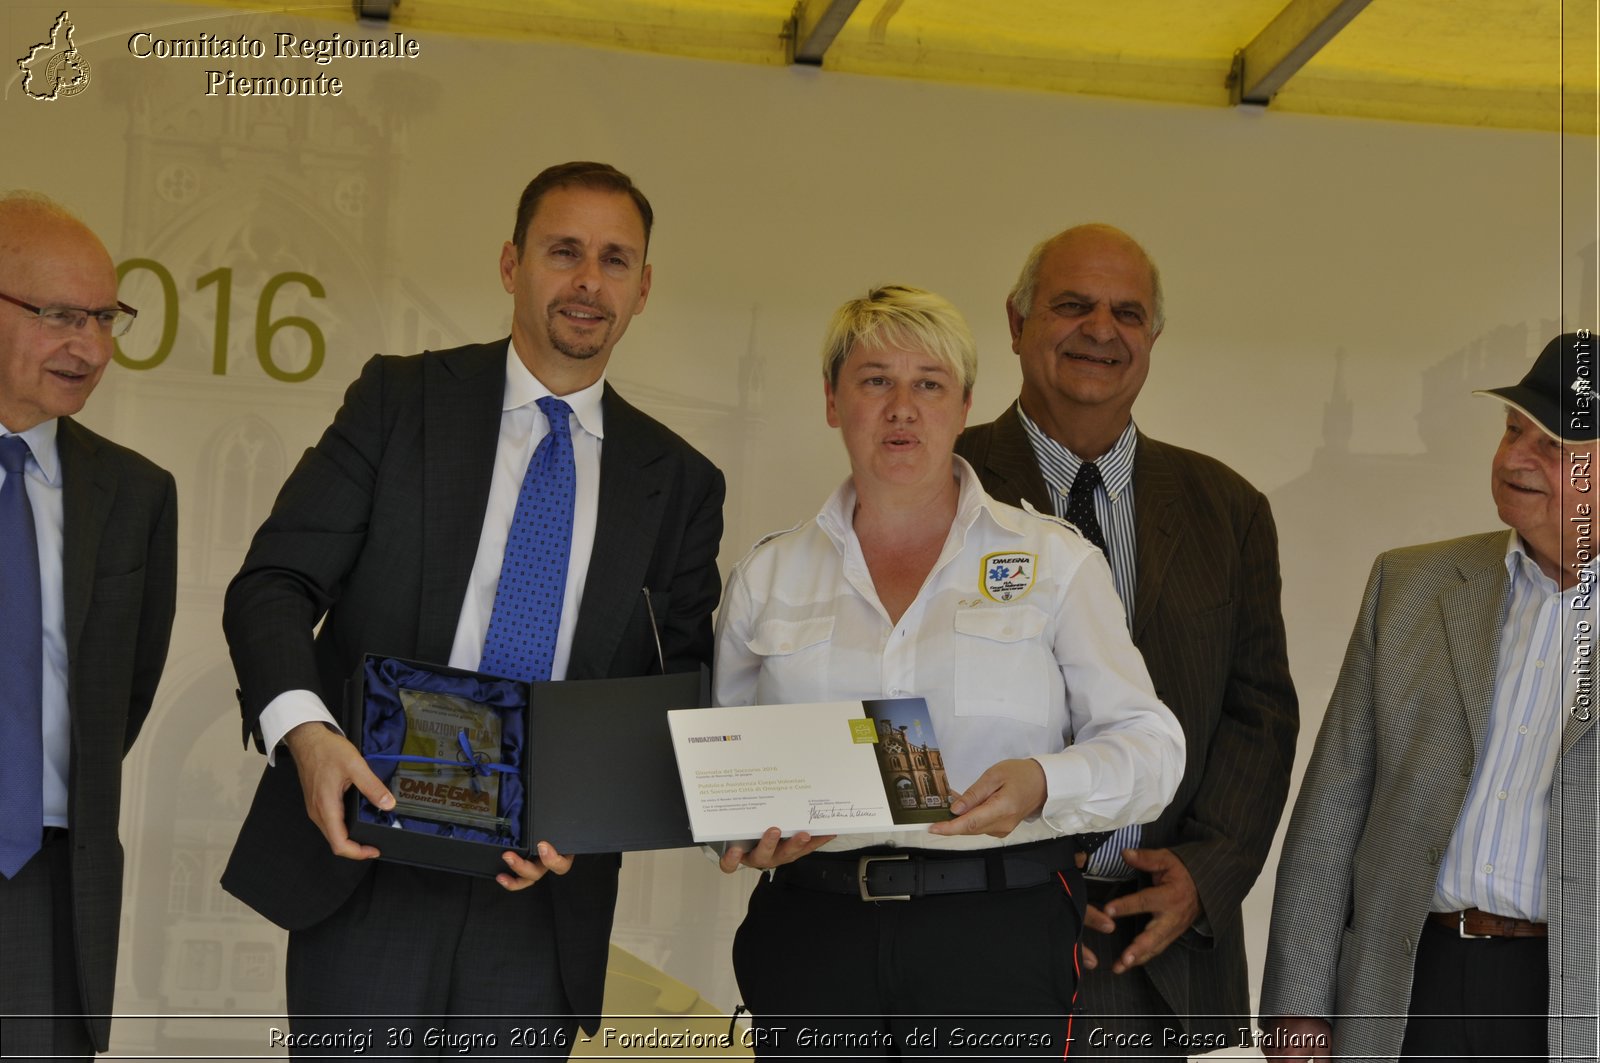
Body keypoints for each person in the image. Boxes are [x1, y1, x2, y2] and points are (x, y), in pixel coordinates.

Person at [219, 162, 725, 1055]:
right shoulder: (400, 400)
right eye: (563, 251)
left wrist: (594, 812)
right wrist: (307, 736)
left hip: (541, 900)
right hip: (369, 860)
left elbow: (678, 686)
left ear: (644, 288)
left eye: (615, 260)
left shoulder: (679, 481)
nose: (587, 281)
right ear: (510, 263)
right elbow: (274, 584)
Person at [714, 284, 1184, 1058]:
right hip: (812, 930)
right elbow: (724, 759)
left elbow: (1152, 747)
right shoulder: (768, 574)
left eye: (928, 384)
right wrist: (739, 831)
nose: (902, 407)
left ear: (964, 405)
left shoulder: (1054, 562)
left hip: (995, 927)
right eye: (875, 381)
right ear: (833, 402)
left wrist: (1043, 780)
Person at [954, 224, 1299, 1058]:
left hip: (1161, 952)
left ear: (1151, 338)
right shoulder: (942, 482)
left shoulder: (1228, 507)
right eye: (1072, 305)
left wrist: (1208, 873)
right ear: (1016, 321)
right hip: (972, 933)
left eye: (1128, 313)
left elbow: (1259, 715)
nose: (1102, 331)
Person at [1259, 331, 1597, 1062]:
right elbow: (1333, 807)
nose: (1513, 459)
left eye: (1553, 446)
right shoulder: (1410, 587)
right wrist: (1298, 1005)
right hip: (1409, 986)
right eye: (1512, 430)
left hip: (1576, 999)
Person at [0, 192, 177, 1060]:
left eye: (107, 319)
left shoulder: (137, 495)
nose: (93, 348)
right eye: (61, 316)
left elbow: (125, 696)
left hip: (50, 883)